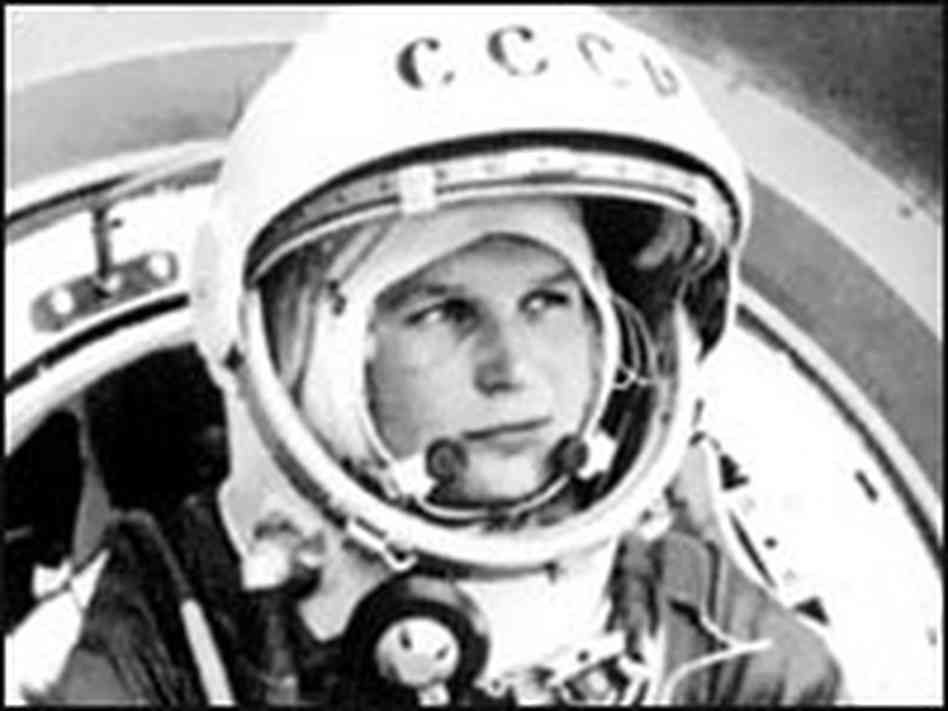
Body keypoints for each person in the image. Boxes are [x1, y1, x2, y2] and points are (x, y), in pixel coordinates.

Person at [5, 7, 845, 706]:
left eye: (548, 303)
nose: (513, 370)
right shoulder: (156, 631)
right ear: (309, 354)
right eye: (442, 313)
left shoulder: (716, 639)